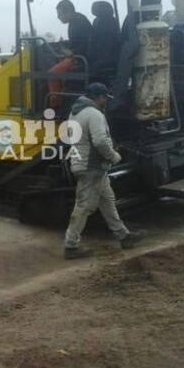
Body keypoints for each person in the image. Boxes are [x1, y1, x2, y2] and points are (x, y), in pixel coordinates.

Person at [63, 83, 145, 259]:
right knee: (84, 206)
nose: (105, 101)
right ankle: (70, 245)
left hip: (85, 163)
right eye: (105, 98)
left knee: (107, 201)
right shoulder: (94, 114)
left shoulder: (75, 112)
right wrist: (114, 156)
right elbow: (100, 141)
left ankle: (124, 236)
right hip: (92, 167)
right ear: (99, 97)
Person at [48, 0, 93, 108]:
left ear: (68, 12)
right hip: (80, 56)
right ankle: (62, 97)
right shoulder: (78, 20)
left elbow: (86, 44)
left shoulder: (78, 23)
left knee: (52, 73)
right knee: (59, 63)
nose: (58, 17)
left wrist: (72, 52)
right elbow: (78, 41)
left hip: (80, 59)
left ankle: (56, 105)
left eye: (59, 14)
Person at [88, 1, 120, 82]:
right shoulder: (100, 21)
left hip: (105, 58)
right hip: (106, 57)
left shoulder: (105, 24)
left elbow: (100, 45)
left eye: (95, 8)